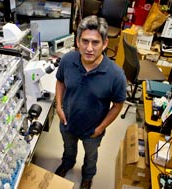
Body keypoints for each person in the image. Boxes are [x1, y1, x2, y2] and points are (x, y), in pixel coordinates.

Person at [54, 15, 127, 189]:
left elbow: (118, 105)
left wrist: (100, 128)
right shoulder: (67, 60)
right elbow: (60, 81)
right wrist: (58, 106)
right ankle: (67, 163)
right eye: (84, 41)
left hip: (92, 130)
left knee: (91, 156)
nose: (89, 48)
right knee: (68, 149)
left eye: (95, 42)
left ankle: (87, 176)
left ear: (105, 44)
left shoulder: (116, 75)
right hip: (67, 122)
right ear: (77, 41)